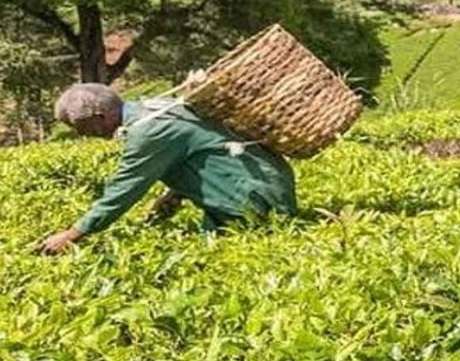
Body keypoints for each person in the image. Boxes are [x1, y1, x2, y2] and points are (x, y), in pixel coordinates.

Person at [37, 83, 298, 254]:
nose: (85, 136)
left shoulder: (148, 131)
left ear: (98, 117)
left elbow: (123, 189)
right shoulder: (156, 107)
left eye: (81, 128)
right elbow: (203, 148)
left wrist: (73, 234)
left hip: (257, 202)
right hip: (269, 184)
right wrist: (176, 192)